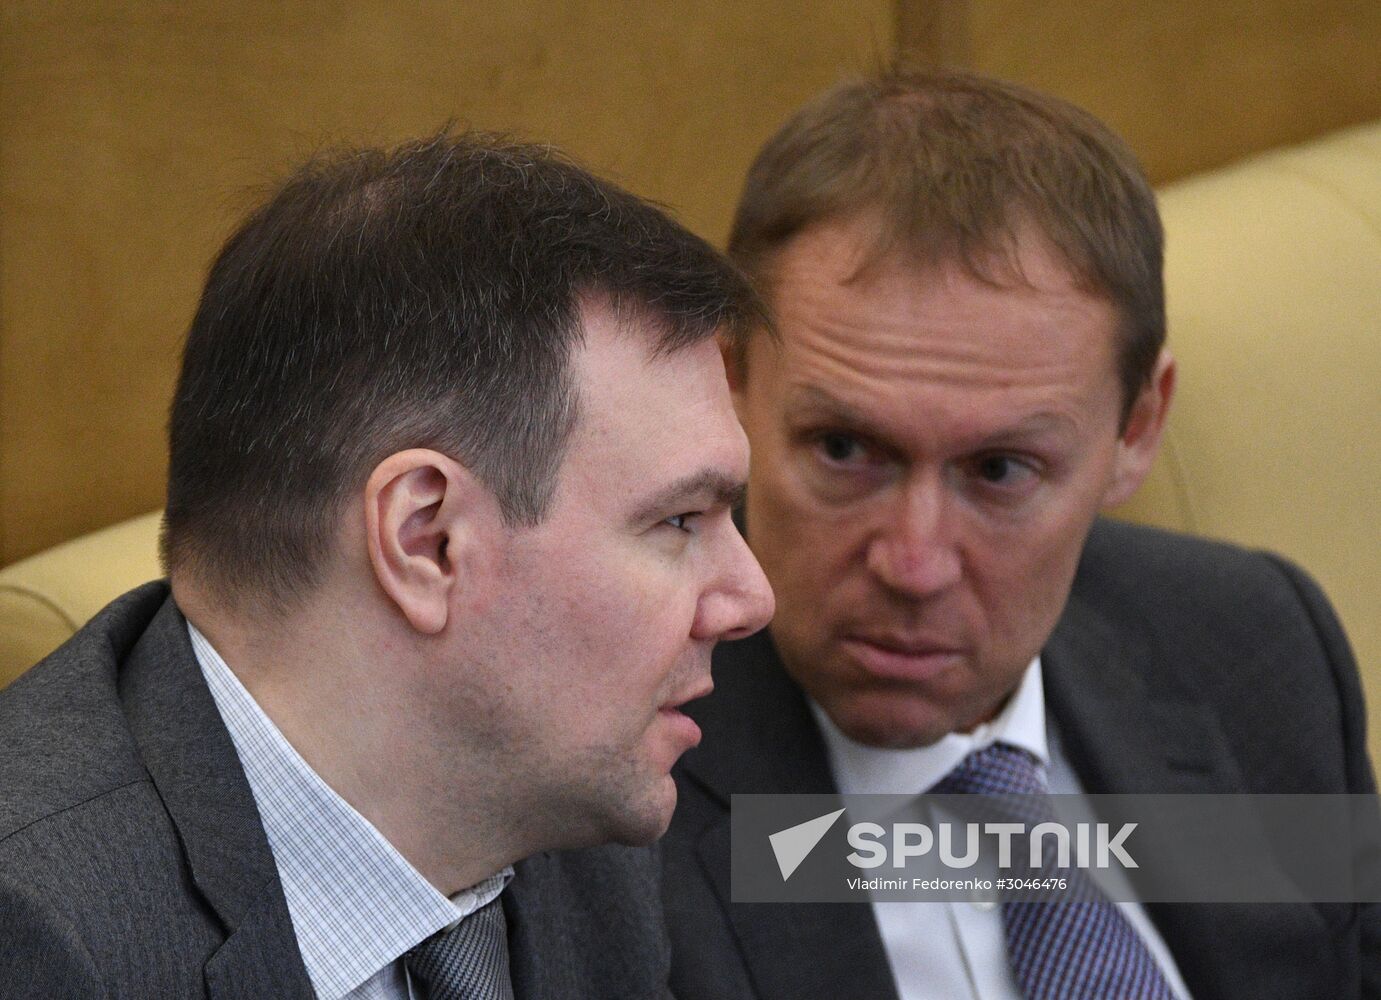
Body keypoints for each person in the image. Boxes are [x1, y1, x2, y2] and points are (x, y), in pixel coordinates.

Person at [0, 132, 775, 998]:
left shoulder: (571, 823)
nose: (751, 598)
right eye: (678, 520)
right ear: (427, 539)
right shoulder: (40, 941)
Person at [662, 68, 1378, 999]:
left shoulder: (1250, 646)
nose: (913, 564)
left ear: (1135, 429)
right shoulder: (610, 793)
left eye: (999, 472)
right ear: (730, 389)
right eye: (845, 450)